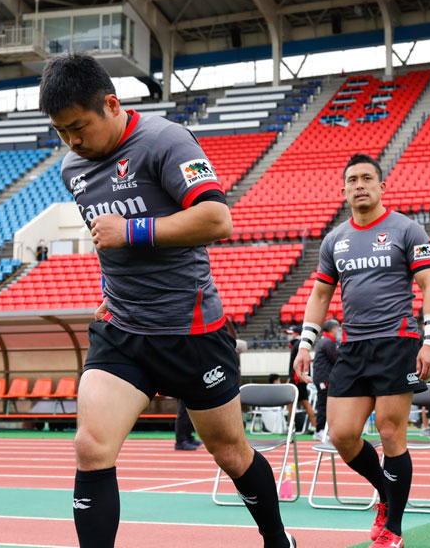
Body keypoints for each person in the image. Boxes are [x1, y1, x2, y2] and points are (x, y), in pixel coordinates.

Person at [44, 53, 295, 548]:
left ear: (111, 105)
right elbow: (109, 243)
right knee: (91, 447)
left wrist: (133, 230)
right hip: (122, 330)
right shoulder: (72, 167)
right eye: (60, 131)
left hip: (191, 331)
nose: (71, 141)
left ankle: (276, 539)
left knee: (230, 452)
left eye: (78, 126)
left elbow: (216, 220)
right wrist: (111, 292)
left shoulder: (165, 141)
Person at [293, 153, 430, 548]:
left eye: (367, 178)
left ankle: (393, 529)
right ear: (343, 190)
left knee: (392, 434)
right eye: (352, 180)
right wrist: (306, 343)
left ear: (381, 186)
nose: (359, 185)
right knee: (342, 435)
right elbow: (321, 294)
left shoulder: (407, 230)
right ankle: (386, 496)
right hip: (353, 347)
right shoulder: (334, 240)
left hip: (398, 343)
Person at [312, 319, 340, 441]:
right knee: (323, 404)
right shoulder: (327, 342)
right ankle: (320, 430)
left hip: (323, 377)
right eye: (337, 329)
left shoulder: (325, 341)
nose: (338, 332)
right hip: (324, 378)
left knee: (325, 403)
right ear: (332, 329)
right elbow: (335, 358)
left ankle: (322, 429)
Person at [287, 326, 317, 434]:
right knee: (305, 403)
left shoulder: (297, 344)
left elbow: (296, 364)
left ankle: (291, 427)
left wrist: (294, 378)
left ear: (296, 334)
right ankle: (314, 426)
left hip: (297, 380)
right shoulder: (298, 344)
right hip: (299, 379)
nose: (289, 336)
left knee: (290, 404)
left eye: (291, 333)